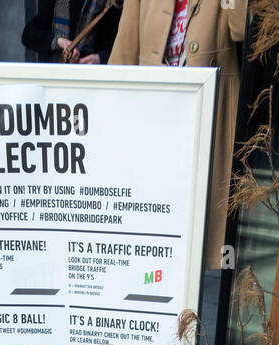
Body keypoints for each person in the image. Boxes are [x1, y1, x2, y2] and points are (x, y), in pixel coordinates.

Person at [109, 0, 248, 268]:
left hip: (206, 124)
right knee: (150, 231)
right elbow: (123, 54)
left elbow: (242, 29)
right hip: (152, 125)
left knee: (196, 236)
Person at [22, 1, 123, 65]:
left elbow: (125, 48)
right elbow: (28, 35)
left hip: (96, 80)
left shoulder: (111, 4)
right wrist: (58, 41)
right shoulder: (58, 3)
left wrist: (100, 59)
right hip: (59, 80)